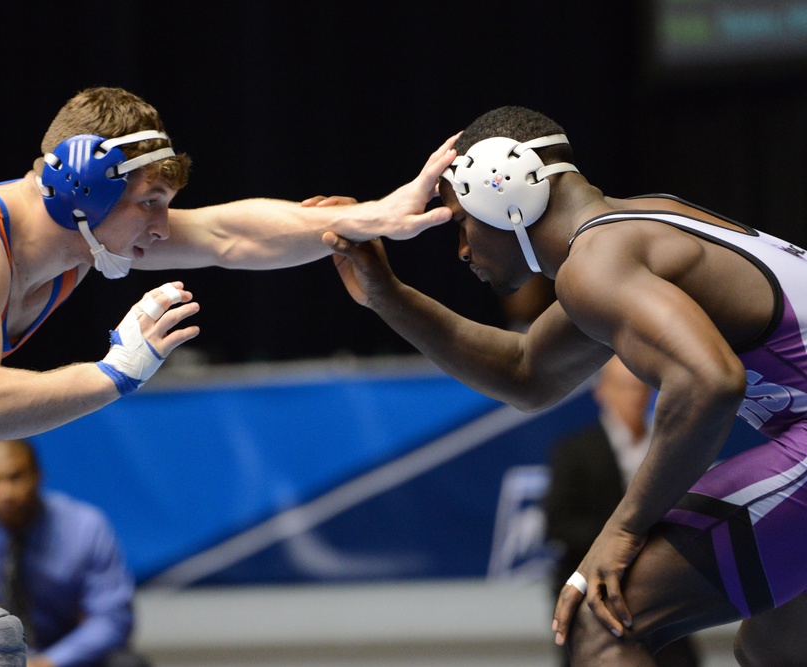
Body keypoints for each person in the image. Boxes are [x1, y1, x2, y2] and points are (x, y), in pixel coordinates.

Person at [0, 85, 456, 665]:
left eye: (164, 204)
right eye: (150, 203)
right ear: (82, 188)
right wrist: (116, 372)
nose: (160, 225)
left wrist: (369, 214)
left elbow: (230, 236)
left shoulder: (81, 240)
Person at [321, 104, 807, 665]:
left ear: (501, 190)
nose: (461, 249)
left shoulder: (596, 263)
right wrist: (389, 295)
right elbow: (526, 372)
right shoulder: (641, 225)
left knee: (602, 621)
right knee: (777, 646)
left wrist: (622, 530)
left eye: (460, 220)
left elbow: (708, 383)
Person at [543, 357, 700, 667]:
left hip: (662, 584)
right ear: (602, 391)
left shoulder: (668, 446)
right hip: (594, 585)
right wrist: (625, 538)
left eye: (641, 387)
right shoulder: (575, 451)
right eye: (625, 387)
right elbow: (559, 524)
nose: (635, 396)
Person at [0, 439, 147, 667]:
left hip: (70, 657)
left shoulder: (85, 527)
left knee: (127, 664)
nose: (5, 493)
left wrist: (49, 662)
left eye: (16, 477)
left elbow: (113, 619)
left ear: (37, 474)